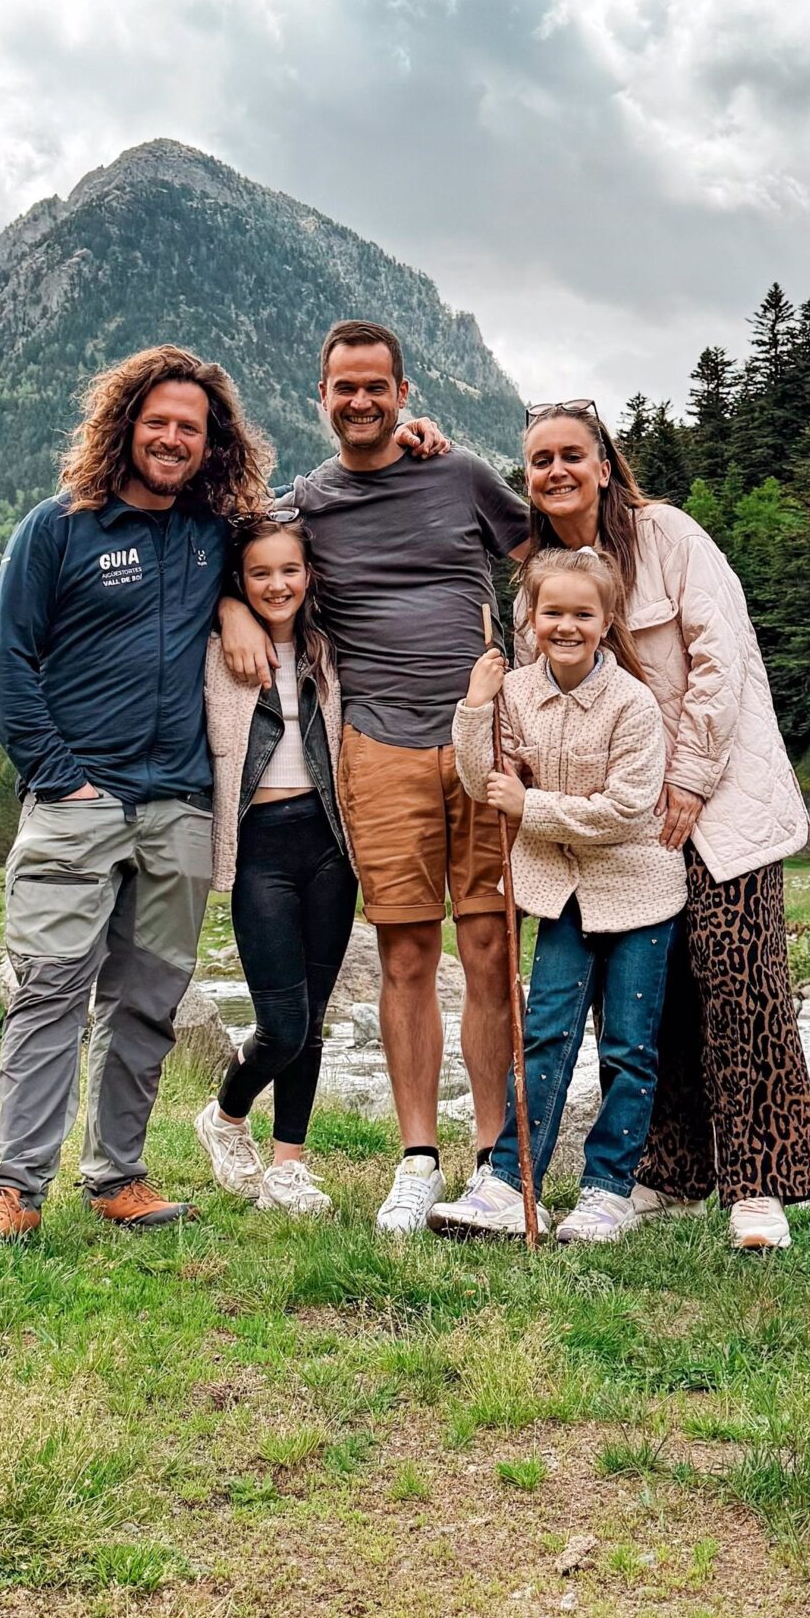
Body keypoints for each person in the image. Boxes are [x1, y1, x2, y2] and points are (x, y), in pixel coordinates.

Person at [0, 345, 271, 1249]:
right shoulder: (59, 527)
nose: (172, 438)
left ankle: (118, 1176)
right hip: (77, 802)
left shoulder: (214, 534)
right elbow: (6, 664)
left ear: (212, 443)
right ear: (125, 426)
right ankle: (14, 1188)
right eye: (157, 421)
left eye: (190, 428)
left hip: (181, 808)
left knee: (150, 1002)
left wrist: (233, 602)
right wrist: (62, 777)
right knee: (49, 991)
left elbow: (295, 534)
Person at [221, 320, 531, 1236]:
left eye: (376, 387)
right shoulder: (308, 502)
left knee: (490, 950)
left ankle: (494, 1161)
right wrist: (232, 607)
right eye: (345, 388)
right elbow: (228, 550)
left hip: (482, 740)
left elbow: (546, 559)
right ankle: (417, 1161)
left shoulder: (461, 473)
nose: (361, 401)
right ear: (321, 397)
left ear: (403, 393)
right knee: (405, 954)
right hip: (377, 748)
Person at [516, 399, 810, 1252]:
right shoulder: (543, 571)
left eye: (571, 454)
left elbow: (724, 659)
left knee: (739, 981)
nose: (556, 471)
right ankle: (673, 1173)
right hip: (621, 819)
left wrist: (689, 776)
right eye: (540, 460)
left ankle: (757, 1185)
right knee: (647, 997)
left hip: (718, 797)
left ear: (604, 464)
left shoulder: (670, 536)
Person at [429, 546, 685, 1243]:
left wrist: (532, 807)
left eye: (582, 614)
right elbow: (484, 781)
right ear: (532, 619)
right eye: (552, 613)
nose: (566, 626)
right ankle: (512, 1183)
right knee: (544, 1034)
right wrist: (475, 706)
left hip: (638, 891)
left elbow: (627, 811)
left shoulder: (632, 704)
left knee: (628, 1047)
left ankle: (607, 1192)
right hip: (563, 892)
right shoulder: (515, 692)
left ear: (606, 621)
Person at [194, 509, 357, 1216]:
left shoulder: (329, 649)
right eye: (259, 573)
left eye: (289, 569)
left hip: (329, 847)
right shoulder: (215, 651)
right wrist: (226, 608)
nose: (277, 584)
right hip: (259, 848)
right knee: (282, 1025)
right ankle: (226, 1115)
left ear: (310, 574)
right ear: (240, 579)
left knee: (312, 1021)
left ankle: (289, 1168)